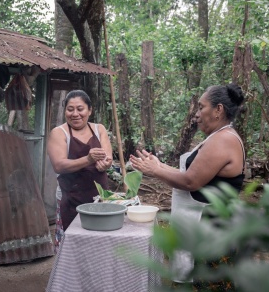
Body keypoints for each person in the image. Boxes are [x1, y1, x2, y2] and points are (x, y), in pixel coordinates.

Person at [129, 83, 245, 288]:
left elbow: (191, 181)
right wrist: (159, 165)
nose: (197, 114)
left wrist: (155, 171)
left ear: (218, 110)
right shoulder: (216, 137)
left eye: (202, 107)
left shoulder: (223, 139)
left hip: (212, 229)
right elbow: (191, 174)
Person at [47, 90, 113, 235]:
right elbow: (59, 166)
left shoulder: (98, 129)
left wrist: (105, 164)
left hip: (99, 197)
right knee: (72, 240)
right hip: (71, 197)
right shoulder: (59, 133)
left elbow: (108, 157)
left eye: (80, 109)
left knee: (99, 238)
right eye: (70, 109)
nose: (75, 114)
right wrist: (88, 159)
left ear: (89, 110)